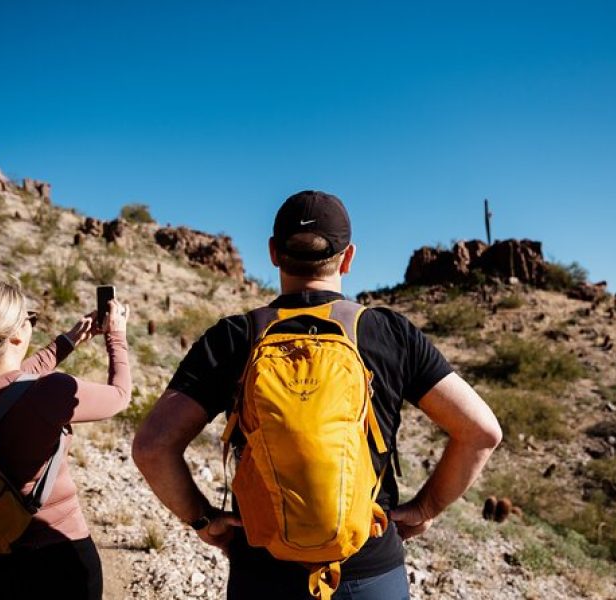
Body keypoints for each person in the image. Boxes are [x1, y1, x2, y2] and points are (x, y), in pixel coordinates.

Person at [132, 190, 502, 599]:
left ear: (274, 253)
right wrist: (426, 507)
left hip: (262, 569)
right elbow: (481, 432)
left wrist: (203, 520)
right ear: (348, 258)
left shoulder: (233, 338)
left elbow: (152, 447)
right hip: (369, 569)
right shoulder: (390, 333)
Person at [0, 279, 131, 600]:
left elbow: (10, 383)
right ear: (16, 334)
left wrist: (67, 341)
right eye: (30, 319)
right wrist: (117, 337)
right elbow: (120, 396)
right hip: (55, 559)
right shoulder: (49, 391)